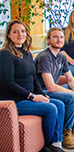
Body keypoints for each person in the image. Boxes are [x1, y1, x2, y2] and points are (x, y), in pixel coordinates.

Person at [0, 20, 64, 152]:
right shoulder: (5, 54)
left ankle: (57, 144)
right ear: (8, 35)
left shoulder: (27, 53)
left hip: (29, 97)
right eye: (15, 32)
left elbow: (33, 77)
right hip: (15, 100)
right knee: (51, 108)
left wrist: (41, 93)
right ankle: (47, 146)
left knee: (60, 104)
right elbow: (8, 83)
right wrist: (32, 97)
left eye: (23, 31)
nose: (20, 34)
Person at [35, 27, 74, 149]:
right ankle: (66, 131)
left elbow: (70, 78)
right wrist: (73, 93)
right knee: (71, 97)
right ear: (48, 40)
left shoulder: (61, 57)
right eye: (55, 37)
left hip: (53, 87)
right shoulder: (44, 57)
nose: (59, 40)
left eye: (61, 37)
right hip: (42, 91)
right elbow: (51, 86)